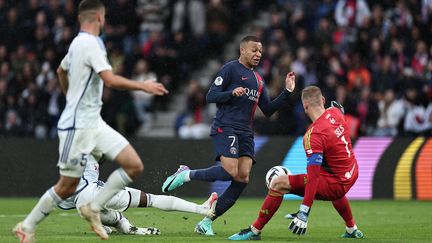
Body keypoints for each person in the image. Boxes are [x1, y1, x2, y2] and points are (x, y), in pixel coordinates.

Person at [13, 0, 168, 242]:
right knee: (66, 186)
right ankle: (27, 226)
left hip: (92, 122)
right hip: (77, 127)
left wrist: (70, 98)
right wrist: (143, 85)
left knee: (133, 165)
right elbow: (109, 80)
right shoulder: (91, 43)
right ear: (98, 17)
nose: (105, 21)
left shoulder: (76, 44)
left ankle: (93, 207)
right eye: (104, 17)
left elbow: (60, 72)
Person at [162, 35, 296, 236]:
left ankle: (206, 222)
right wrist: (231, 93)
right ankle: (185, 174)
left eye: (260, 51)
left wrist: (287, 91)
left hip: (246, 133)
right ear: (242, 50)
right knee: (230, 171)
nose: (258, 54)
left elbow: (267, 110)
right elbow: (210, 96)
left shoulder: (258, 80)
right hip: (226, 127)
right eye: (254, 50)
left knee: (242, 178)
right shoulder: (230, 69)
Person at [228, 86, 364, 240]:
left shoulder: (314, 135)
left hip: (336, 184)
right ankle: (352, 228)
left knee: (278, 183)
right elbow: (339, 108)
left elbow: (313, 177)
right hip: (352, 172)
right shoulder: (336, 112)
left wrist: (303, 212)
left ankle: (254, 230)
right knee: (329, 177)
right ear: (323, 100)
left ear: (305, 107)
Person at [58, 153, 218, 236]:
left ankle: (118, 227)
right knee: (151, 199)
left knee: (117, 221)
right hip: (96, 193)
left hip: (83, 206)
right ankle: (201, 209)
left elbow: (64, 201)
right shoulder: (88, 153)